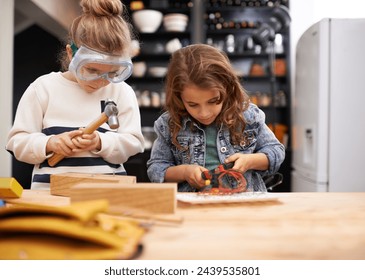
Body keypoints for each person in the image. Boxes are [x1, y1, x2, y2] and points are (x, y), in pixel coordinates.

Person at [6, 0, 144, 189]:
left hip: (108, 194)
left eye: (112, 73)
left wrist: (100, 142)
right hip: (50, 196)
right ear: (71, 54)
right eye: (92, 70)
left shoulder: (121, 92)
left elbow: (133, 143)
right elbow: (17, 142)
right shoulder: (43, 88)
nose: (100, 81)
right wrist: (49, 143)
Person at [147, 44, 285, 192]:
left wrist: (250, 161)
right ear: (179, 98)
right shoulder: (169, 124)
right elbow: (156, 168)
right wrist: (185, 172)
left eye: (213, 101)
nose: (204, 113)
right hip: (193, 208)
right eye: (193, 104)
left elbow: (276, 151)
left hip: (245, 205)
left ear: (228, 88)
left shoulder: (247, 115)